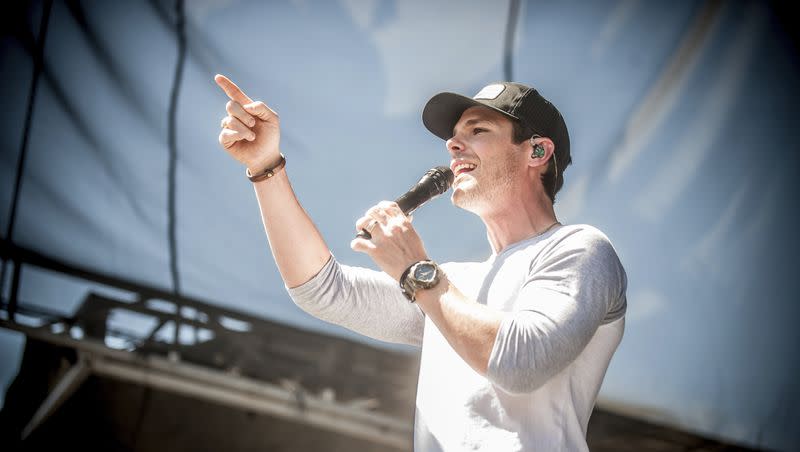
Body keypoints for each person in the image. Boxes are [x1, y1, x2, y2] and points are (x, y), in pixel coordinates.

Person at [215, 74, 627, 452]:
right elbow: (322, 290)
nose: (452, 144)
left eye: (477, 130)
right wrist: (265, 167)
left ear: (537, 150)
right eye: (453, 136)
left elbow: (521, 362)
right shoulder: (453, 285)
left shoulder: (580, 248)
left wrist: (416, 271)